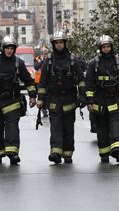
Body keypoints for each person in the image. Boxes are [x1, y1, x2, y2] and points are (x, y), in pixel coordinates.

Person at [0, 35, 37, 165]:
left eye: (12, 48)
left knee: (12, 127)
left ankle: (13, 154)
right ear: (2, 48)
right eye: (7, 48)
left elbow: (28, 81)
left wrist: (33, 96)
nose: (9, 50)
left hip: (12, 101)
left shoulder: (18, 63)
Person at [85, 35, 119, 163]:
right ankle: (104, 153)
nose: (106, 49)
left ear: (112, 47)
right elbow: (89, 84)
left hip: (115, 100)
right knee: (102, 130)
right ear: (100, 48)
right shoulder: (93, 64)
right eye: (104, 47)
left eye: (108, 46)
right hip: (99, 102)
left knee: (116, 125)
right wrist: (90, 101)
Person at [36, 32, 87, 164]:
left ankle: (68, 153)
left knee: (68, 128)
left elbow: (81, 80)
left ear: (65, 43)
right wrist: (40, 98)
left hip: (70, 99)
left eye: (61, 42)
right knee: (55, 127)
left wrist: (83, 96)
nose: (59, 45)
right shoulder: (49, 61)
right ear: (54, 45)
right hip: (54, 99)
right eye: (56, 43)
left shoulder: (72, 60)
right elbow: (43, 82)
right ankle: (56, 153)